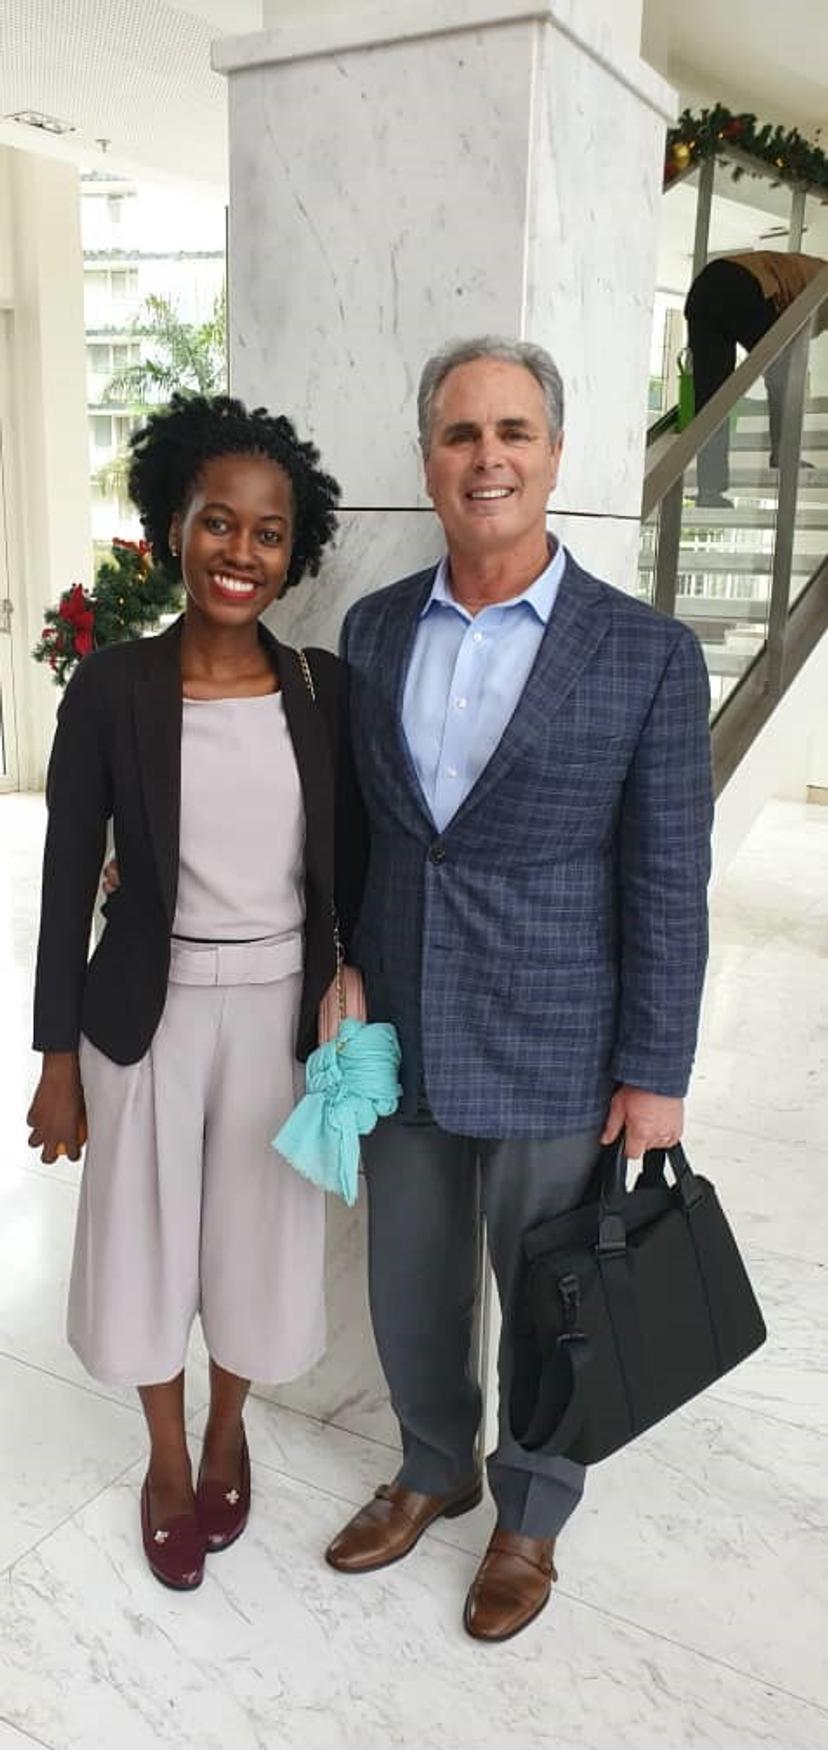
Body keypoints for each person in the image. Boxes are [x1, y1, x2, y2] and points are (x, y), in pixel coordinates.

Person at [324, 337, 714, 1643]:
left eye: (512, 431)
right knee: (410, 1281)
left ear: (554, 454)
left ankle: (530, 1513)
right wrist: (342, 964)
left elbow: (668, 874)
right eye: (460, 433)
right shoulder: (376, 628)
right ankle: (433, 1463)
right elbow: (360, 834)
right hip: (402, 1028)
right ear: (428, 456)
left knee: (554, 1295)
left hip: (562, 1033)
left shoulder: (646, 653)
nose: (486, 457)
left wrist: (657, 1069)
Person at [27, 394, 364, 1593]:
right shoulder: (112, 687)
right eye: (219, 521)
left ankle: (230, 1429)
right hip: (145, 1014)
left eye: (269, 533)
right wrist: (55, 1058)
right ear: (175, 525)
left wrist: (355, 996)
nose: (240, 551)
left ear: (294, 551)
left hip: (279, 1016)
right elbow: (67, 876)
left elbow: (353, 864)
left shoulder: (323, 689)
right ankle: (167, 1456)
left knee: (260, 1240)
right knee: (142, 1238)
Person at [684, 250, 827, 507]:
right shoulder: (822, 280)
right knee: (786, 372)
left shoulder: (809, 270)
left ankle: (709, 490)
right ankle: (783, 453)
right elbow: (802, 333)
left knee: (712, 397)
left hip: (705, 288)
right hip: (742, 284)